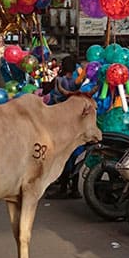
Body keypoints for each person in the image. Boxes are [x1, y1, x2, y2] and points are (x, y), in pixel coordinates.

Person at [46, 56, 83, 199]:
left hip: (61, 122)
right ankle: (74, 188)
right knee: (75, 154)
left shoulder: (59, 82)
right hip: (77, 122)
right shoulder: (79, 83)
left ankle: (62, 188)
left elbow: (54, 100)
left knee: (63, 155)